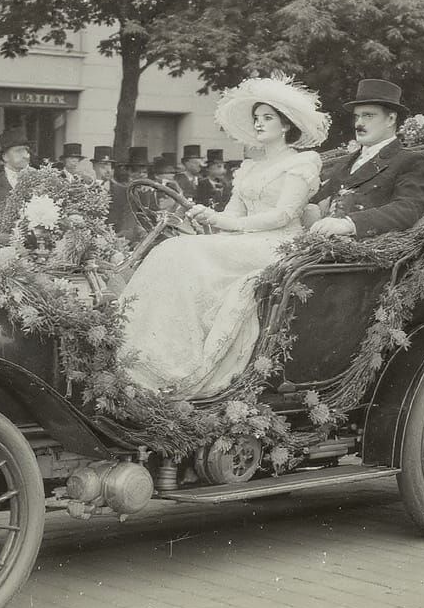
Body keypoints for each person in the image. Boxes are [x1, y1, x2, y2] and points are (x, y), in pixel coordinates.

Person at [119, 75, 329, 399]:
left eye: (267, 118)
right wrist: (209, 215)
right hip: (245, 240)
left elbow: (283, 215)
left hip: (279, 245)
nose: (259, 124)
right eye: (256, 119)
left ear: (286, 125)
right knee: (172, 248)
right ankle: (144, 355)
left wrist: (226, 224)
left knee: (186, 254)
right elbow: (232, 212)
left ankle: (181, 367)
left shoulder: (301, 163)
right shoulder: (249, 167)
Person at [309, 79, 424, 238]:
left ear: (391, 119)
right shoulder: (345, 163)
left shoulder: (410, 161)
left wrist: (350, 223)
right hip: (319, 244)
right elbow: (317, 200)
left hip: (362, 249)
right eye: (357, 117)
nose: (358, 124)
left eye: (368, 116)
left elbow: (407, 209)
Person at [92, 146, 139, 242]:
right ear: (94, 166)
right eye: (103, 166)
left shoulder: (124, 192)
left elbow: (129, 221)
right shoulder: (86, 190)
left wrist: (120, 237)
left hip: (117, 241)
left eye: (111, 166)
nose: (108, 170)